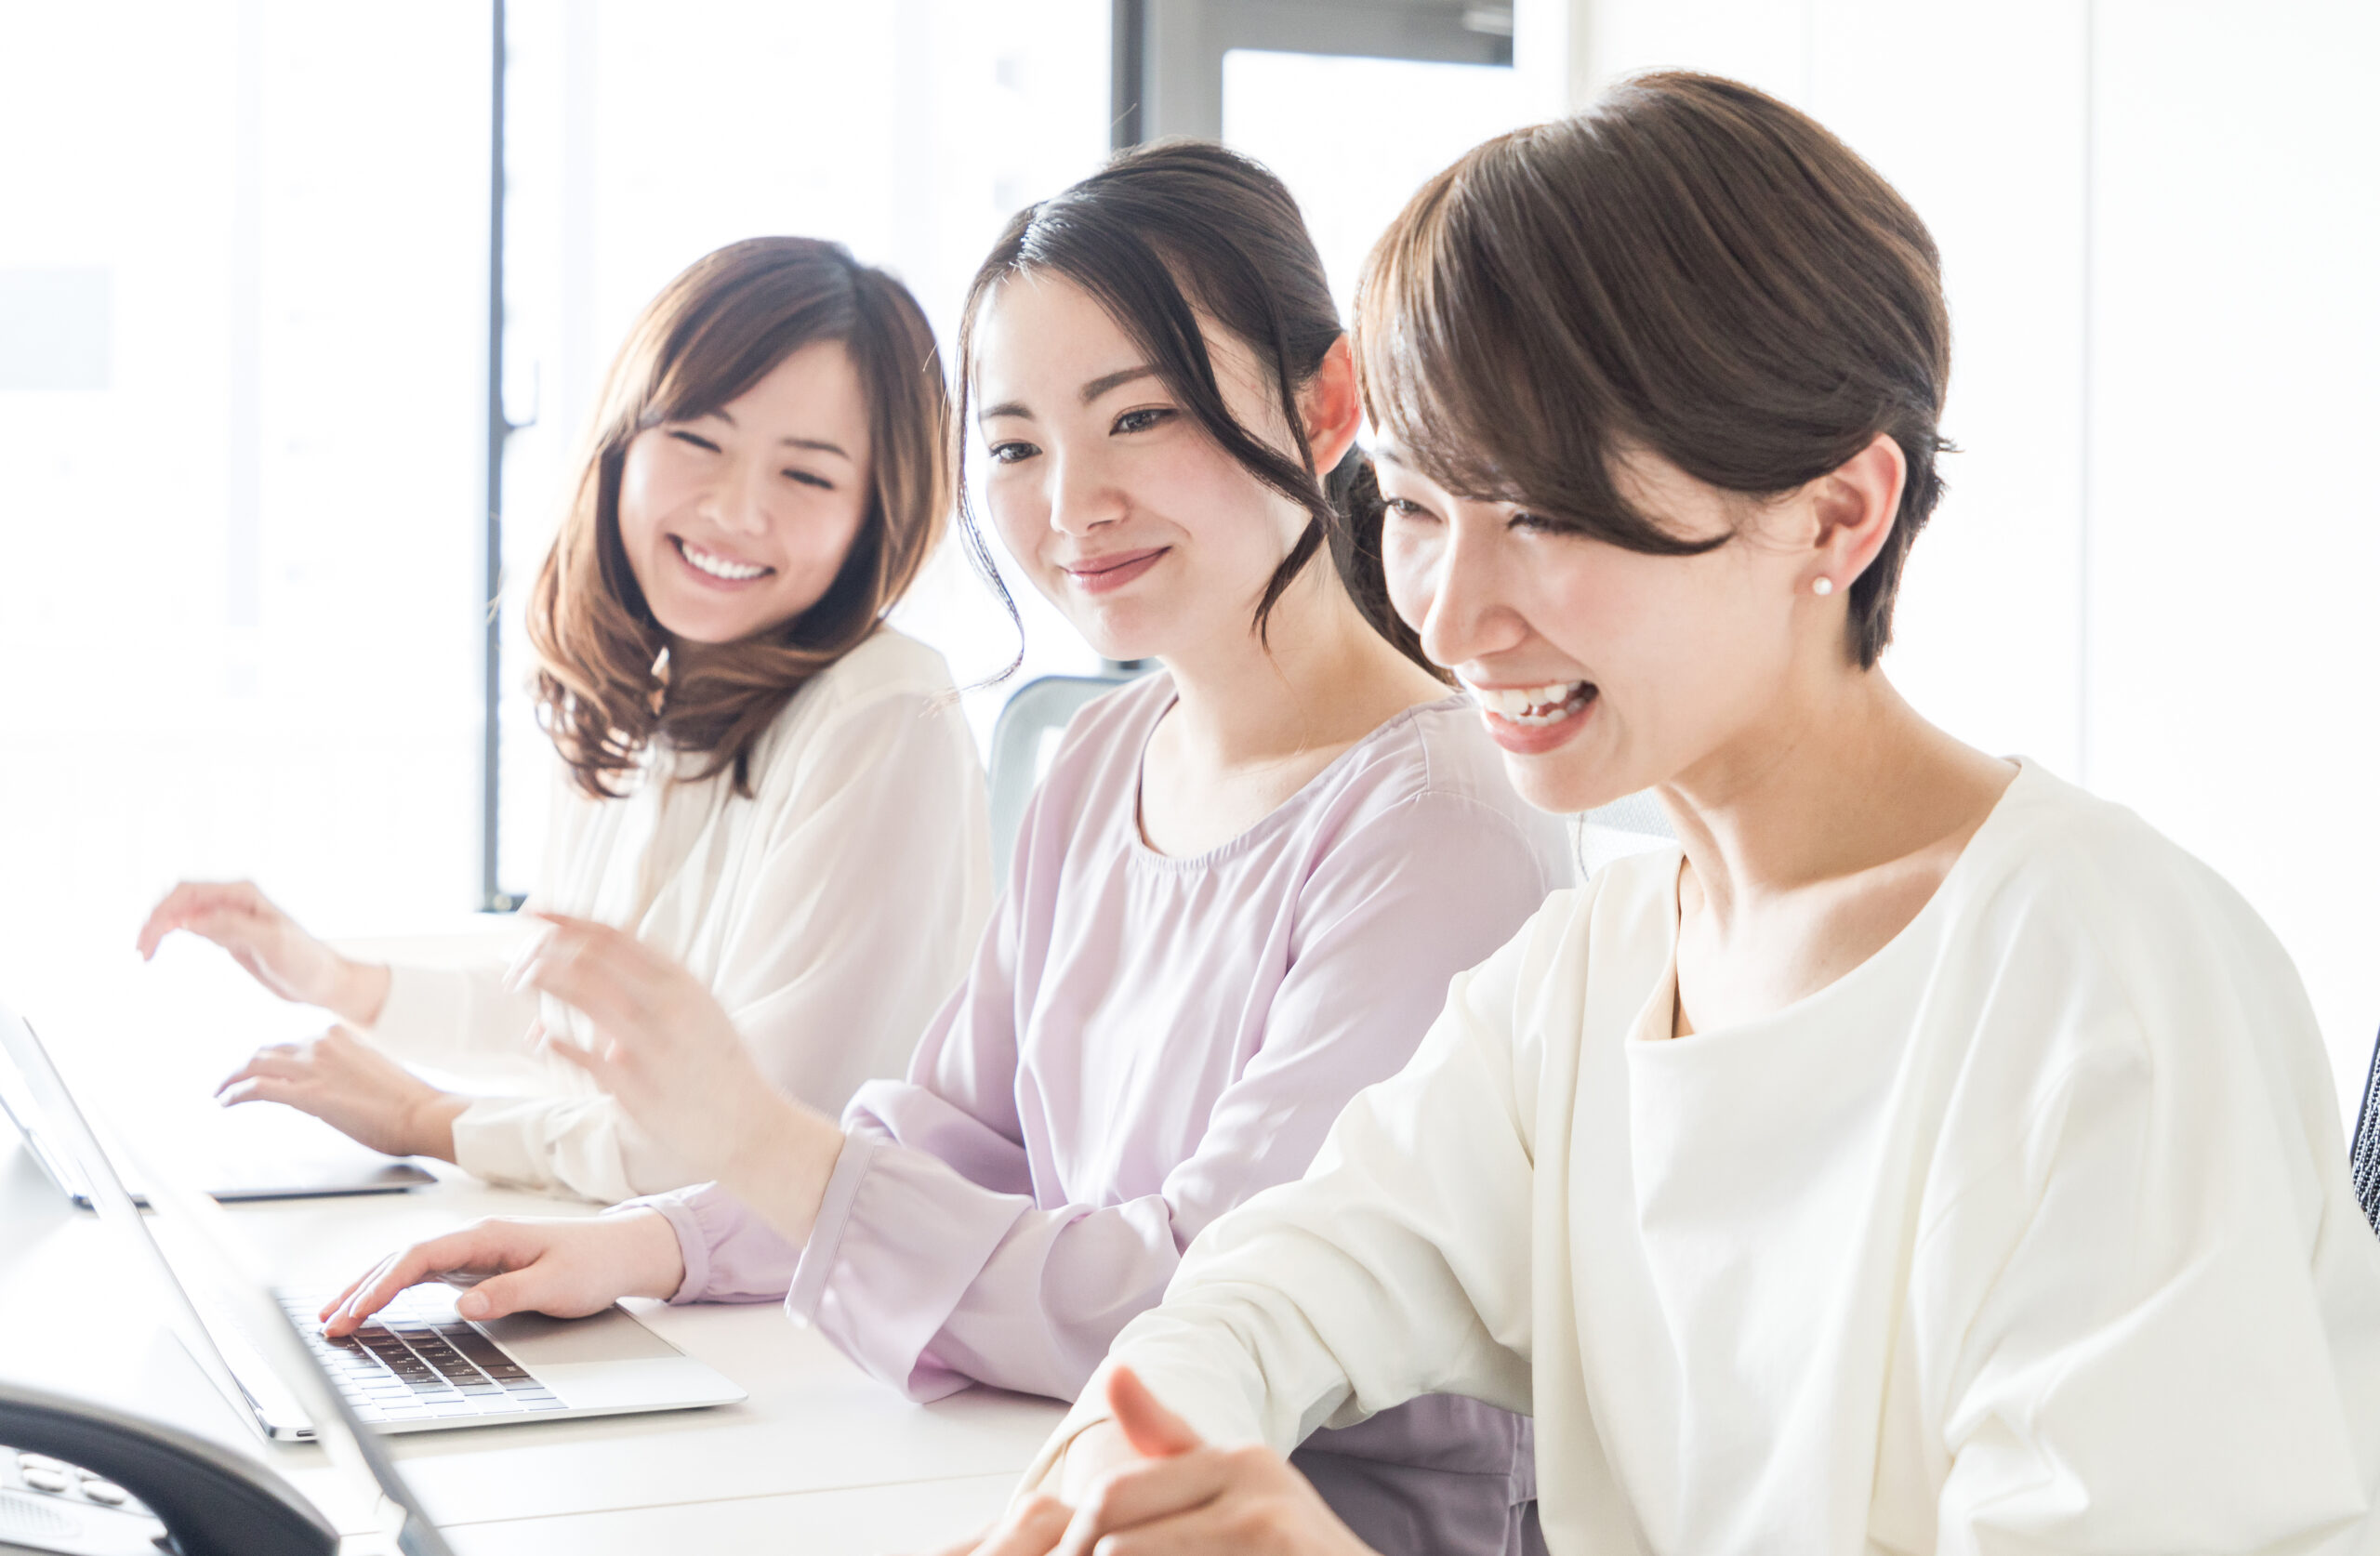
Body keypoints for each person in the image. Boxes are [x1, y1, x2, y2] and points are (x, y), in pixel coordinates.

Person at [972, 73, 2380, 1556]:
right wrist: (1120, 1475)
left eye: (1543, 512)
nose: (1449, 613)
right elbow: (1262, 1292)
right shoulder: (1593, 969)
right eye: (1418, 509)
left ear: (1837, 513)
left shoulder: (2101, 977)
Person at [318, 142, 1574, 1556]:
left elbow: (1209, 1300)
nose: (1070, 505)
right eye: (1019, 445)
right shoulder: (1101, 756)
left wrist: (754, 1135)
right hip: (1061, 1474)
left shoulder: (1438, 825)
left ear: (1326, 404)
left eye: (1140, 417)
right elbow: (958, 1140)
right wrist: (654, 1243)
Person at [133, 237, 990, 1204]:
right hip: (633, 1259)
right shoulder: (651, 697)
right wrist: (333, 980)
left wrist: (430, 1121)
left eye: (807, 476)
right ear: (624, 444)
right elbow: (572, 1018)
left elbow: (758, 1149)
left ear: (878, 512)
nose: (735, 509)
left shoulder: (885, 712)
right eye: (698, 441)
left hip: (766, 1291)